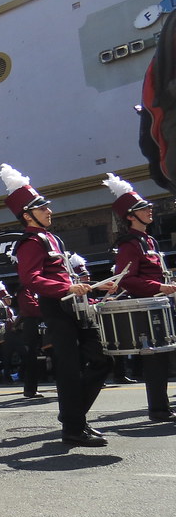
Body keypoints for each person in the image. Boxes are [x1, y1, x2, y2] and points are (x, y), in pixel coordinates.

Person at [1, 163, 112, 446]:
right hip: (57, 308)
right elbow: (30, 279)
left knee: (102, 359)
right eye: (42, 208)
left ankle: (73, 416)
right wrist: (66, 287)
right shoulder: (30, 242)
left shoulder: (53, 238)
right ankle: (74, 427)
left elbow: (67, 274)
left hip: (74, 306)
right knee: (69, 367)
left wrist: (96, 287)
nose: (49, 211)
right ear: (28, 215)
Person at [104, 172, 176, 421]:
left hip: (162, 304)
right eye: (143, 208)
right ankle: (158, 409)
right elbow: (126, 279)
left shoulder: (149, 240)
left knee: (167, 357)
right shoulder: (129, 245)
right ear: (131, 216)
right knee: (156, 359)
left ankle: (162, 407)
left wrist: (167, 285)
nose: (150, 210)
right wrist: (159, 286)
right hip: (149, 307)